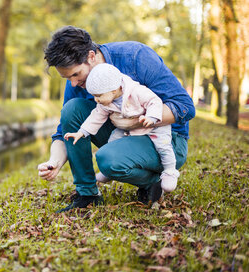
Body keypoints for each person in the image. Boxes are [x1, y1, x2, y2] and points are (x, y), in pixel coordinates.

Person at [37, 26, 195, 212]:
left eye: (75, 74)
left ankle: (155, 181)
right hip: (124, 134)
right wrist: (54, 162)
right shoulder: (77, 82)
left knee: (108, 160)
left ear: (91, 56)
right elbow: (63, 131)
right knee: (72, 109)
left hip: (166, 139)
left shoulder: (136, 57)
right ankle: (87, 194)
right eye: (66, 78)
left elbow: (185, 107)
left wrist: (137, 121)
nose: (73, 83)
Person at [63, 63, 180, 193]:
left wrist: (151, 117)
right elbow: (96, 116)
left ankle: (170, 171)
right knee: (113, 140)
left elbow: (154, 101)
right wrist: (82, 132)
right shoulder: (105, 100)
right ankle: (108, 171)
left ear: (114, 90)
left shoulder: (136, 91)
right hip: (127, 127)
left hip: (153, 126)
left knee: (163, 145)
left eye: (98, 96)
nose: (96, 100)